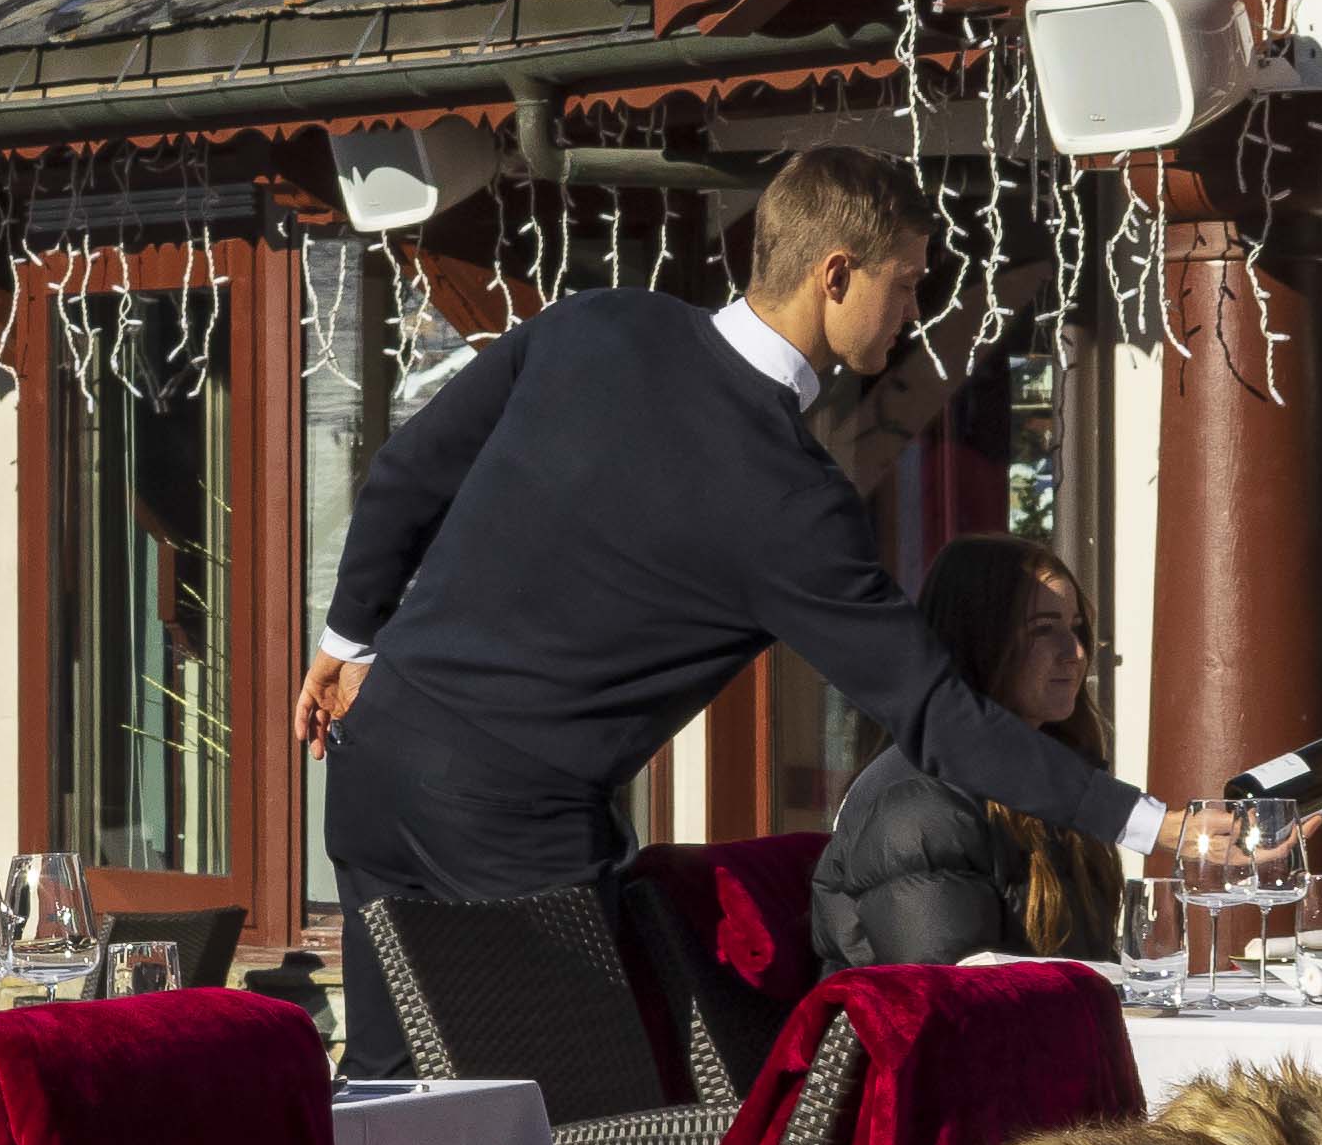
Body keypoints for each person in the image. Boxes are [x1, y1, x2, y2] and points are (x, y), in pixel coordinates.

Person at [296, 151, 1161, 976]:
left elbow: (408, 473)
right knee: (564, 1116)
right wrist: (1159, 826)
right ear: (835, 275)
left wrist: (347, 644)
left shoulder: (598, 320)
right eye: (904, 283)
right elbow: (938, 713)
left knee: (383, 1096)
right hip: (508, 821)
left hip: (376, 757)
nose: (913, 310)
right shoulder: (790, 497)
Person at [803, 539, 1119, 968]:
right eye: (1044, 629)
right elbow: (952, 996)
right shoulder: (921, 799)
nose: (1076, 653)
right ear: (979, 638)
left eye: (1076, 627)